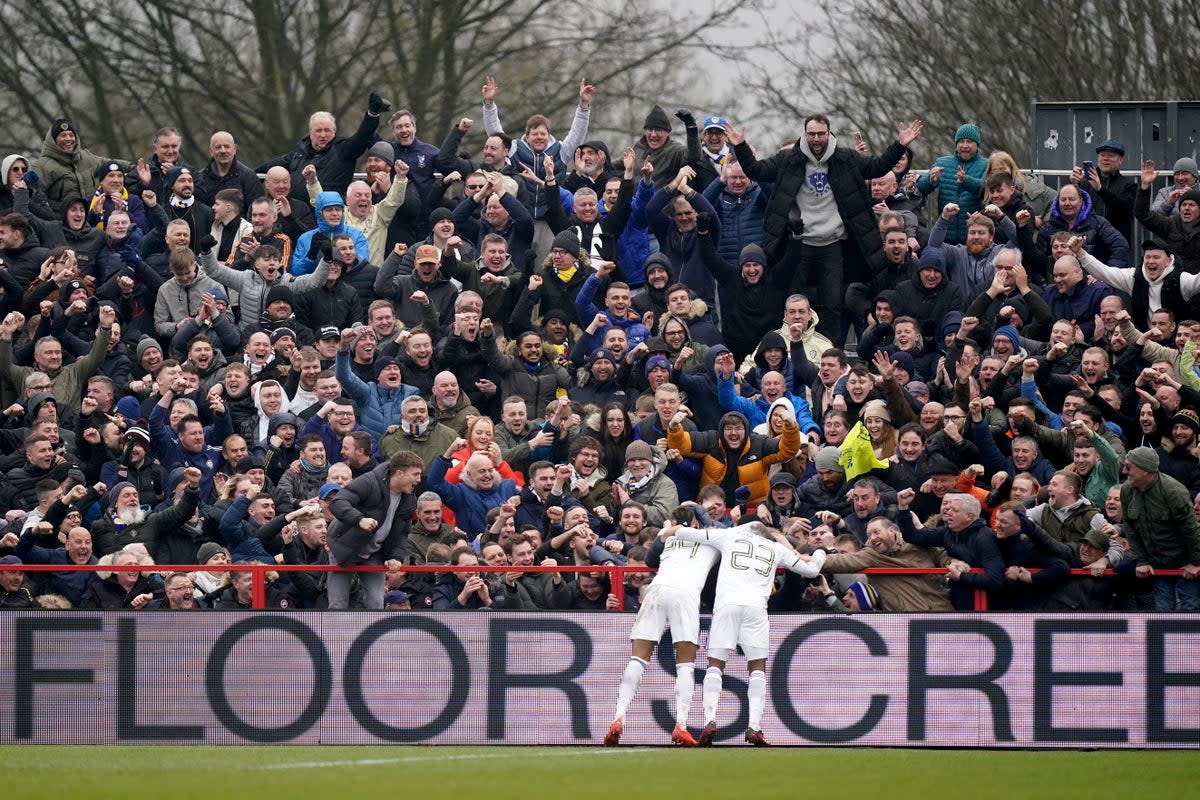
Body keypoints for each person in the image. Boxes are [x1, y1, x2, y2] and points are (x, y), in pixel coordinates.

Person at [669, 520, 824, 746]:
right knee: (757, 668)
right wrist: (820, 552)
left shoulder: (728, 535)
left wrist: (668, 530)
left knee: (715, 665)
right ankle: (754, 726)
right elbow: (811, 569)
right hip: (756, 608)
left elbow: (685, 533)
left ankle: (710, 720)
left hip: (727, 605)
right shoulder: (776, 548)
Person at [604, 513, 721, 748]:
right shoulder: (714, 538)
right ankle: (681, 724)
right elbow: (722, 527)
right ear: (697, 521)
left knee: (637, 659)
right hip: (685, 593)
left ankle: (618, 718)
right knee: (685, 664)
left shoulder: (665, 536)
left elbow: (649, 558)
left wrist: (666, 530)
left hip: (656, 589)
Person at [325, 449, 424, 609]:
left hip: (374, 552)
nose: (419, 480)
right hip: (344, 547)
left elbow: (403, 533)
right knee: (337, 605)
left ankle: (372, 634)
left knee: (376, 605)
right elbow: (338, 502)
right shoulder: (369, 482)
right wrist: (359, 520)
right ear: (399, 473)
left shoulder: (410, 498)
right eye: (415, 474)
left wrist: (396, 557)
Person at [1119, 446, 1200, 611]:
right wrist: (1141, 560)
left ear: (1146, 471)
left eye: (1129, 467)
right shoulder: (1127, 490)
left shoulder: (1173, 491)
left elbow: (1191, 530)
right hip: (1156, 561)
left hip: (1183, 559)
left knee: (1189, 608)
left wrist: (1196, 562)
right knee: (1163, 610)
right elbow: (1130, 528)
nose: (1124, 471)